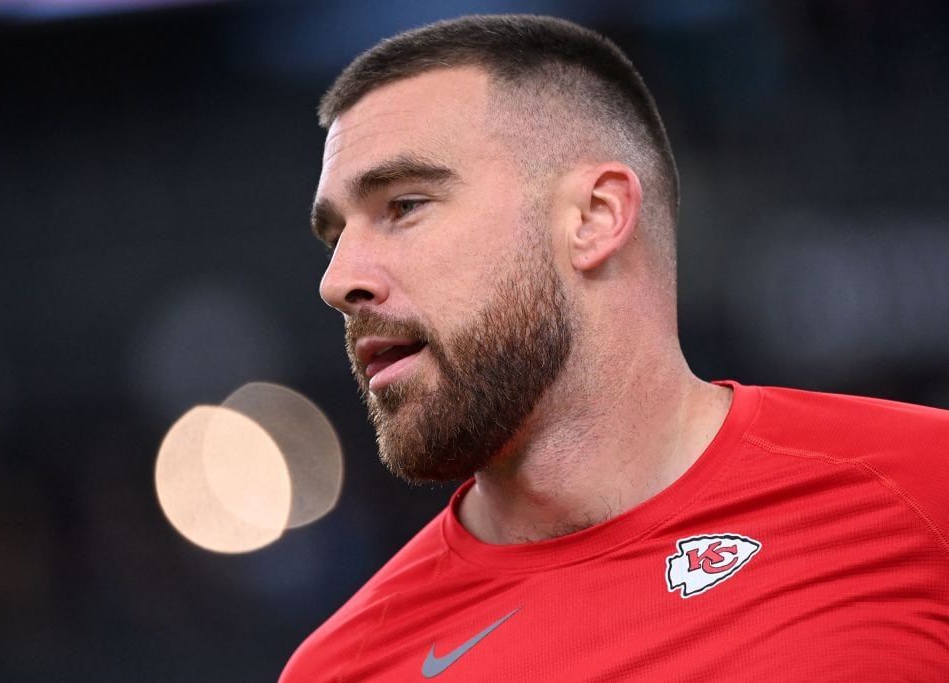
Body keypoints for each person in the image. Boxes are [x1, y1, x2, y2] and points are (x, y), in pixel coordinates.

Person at [281, 14, 949, 681]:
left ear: (595, 218)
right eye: (335, 237)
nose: (338, 281)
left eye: (404, 206)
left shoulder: (921, 488)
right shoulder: (342, 669)